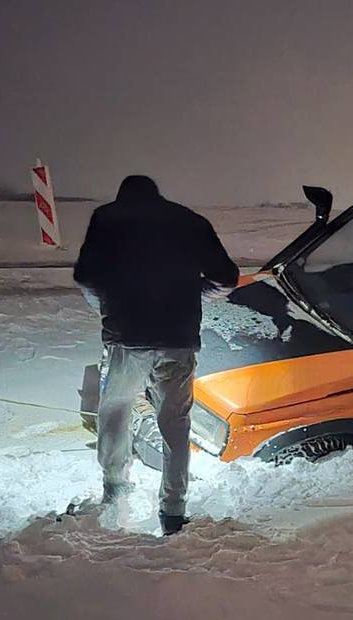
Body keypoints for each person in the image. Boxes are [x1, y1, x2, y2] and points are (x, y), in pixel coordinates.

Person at [74, 175, 239, 535]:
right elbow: (226, 278)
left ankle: (115, 485)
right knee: (174, 424)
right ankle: (173, 511)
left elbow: (85, 276)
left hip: (125, 338)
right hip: (177, 339)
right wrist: (195, 294)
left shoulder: (107, 218)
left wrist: (108, 308)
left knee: (116, 408)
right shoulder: (189, 221)